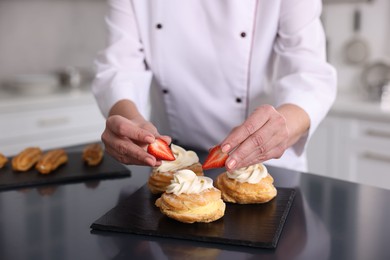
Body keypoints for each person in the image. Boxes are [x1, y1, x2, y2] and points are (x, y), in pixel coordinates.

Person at [92, 0, 337, 173]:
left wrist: (282, 127)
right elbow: (119, 67)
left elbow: (310, 75)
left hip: (265, 163)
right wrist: (130, 122)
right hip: (171, 160)